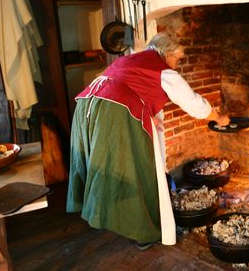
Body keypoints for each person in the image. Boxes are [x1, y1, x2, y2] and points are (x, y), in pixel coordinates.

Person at [66, 32, 230, 250]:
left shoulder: (133, 59)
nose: (177, 64)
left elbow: (125, 86)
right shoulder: (162, 69)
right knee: (139, 168)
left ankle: (105, 213)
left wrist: (148, 114)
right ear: (167, 53)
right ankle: (142, 230)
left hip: (87, 105)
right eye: (177, 59)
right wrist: (219, 117)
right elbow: (194, 105)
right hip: (112, 114)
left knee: (107, 167)